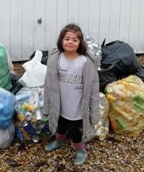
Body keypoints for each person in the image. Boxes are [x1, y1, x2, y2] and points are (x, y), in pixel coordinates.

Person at [42, 23, 100, 165]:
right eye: (67, 38)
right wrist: (47, 106)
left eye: (75, 40)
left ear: (80, 43)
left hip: (77, 106)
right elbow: (49, 85)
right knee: (60, 125)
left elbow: (93, 88)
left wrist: (94, 114)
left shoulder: (85, 62)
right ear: (61, 40)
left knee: (74, 130)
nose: (70, 42)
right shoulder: (56, 59)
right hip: (60, 103)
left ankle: (81, 150)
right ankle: (59, 141)